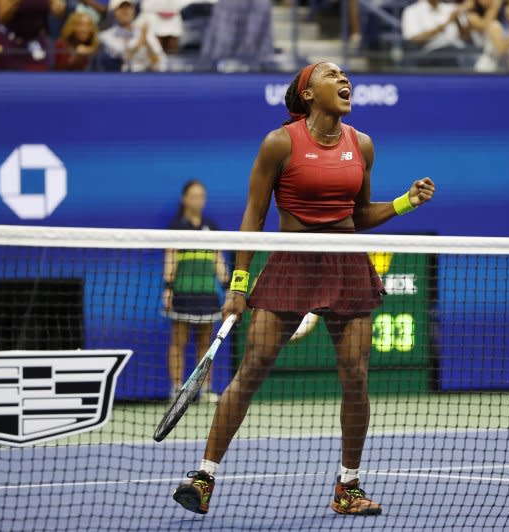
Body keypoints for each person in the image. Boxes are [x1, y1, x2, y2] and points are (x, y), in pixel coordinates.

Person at [170, 62, 435, 517]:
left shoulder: (362, 145)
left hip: (347, 265)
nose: (344, 79)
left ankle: (347, 487)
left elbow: (360, 216)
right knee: (251, 370)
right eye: (332, 75)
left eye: (345, 74)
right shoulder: (279, 143)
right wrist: (239, 283)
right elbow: (253, 216)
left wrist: (404, 202)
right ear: (308, 93)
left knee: (355, 375)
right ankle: (204, 475)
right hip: (291, 262)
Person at [164, 180, 229, 404]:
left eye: (201, 195)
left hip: (207, 295)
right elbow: (170, 257)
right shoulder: (176, 226)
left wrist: (227, 287)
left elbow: (218, 259)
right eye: (193, 196)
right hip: (183, 292)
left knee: (206, 344)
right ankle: (176, 389)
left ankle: (204, 389)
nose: (198, 200)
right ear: (184, 199)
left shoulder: (211, 225)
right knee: (178, 342)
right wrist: (168, 289)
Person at [0, 0, 65, 71]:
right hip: (11, 43)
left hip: (35, 43)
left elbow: (58, 11)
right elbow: (2, 15)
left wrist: (57, 4)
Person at [401, 0, 474, 67]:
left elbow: (467, 37)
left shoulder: (451, 8)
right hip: (430, 53)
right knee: (449, 55)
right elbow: (414, 38)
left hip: (459, 50)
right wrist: (444, 25)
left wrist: (457, 20)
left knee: (472, 56)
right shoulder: (412, 10)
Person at [99, 0, 166, 72]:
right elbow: (125, 57)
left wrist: (146, 42)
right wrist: (141, 40)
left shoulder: (147, 33)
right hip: (122, 78)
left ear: (133, 11)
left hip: (147, 76)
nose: (125, 12)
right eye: (121, 8)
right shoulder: (105, 36)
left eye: (128, 8)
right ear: (113, 13)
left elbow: (159, 61)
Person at [474, 0, 509, 73]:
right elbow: (502, 51)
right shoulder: (495, 26)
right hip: (487, 71)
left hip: (507, 73)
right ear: (506, 9)